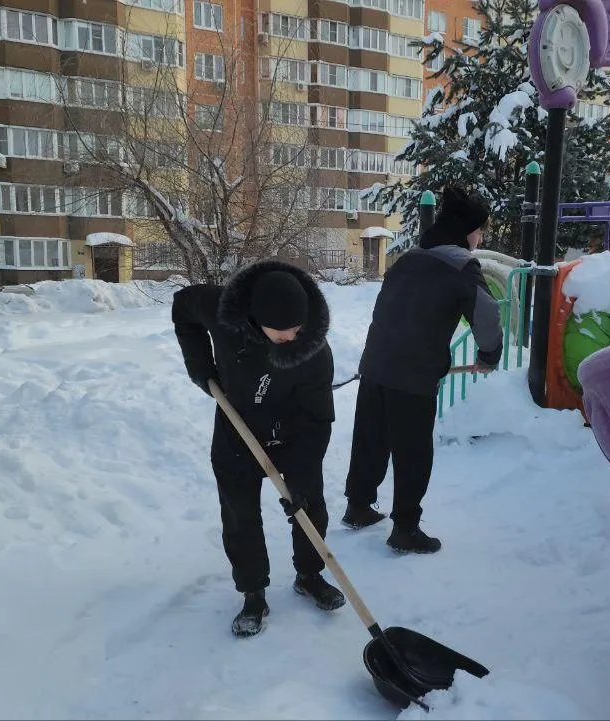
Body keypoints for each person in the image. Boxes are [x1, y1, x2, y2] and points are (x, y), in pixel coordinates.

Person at [171, 259, 344, 638]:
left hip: (294, 431)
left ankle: (309, 575)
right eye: (282, 330)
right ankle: (253, 593)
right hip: (237, 426)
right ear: (256, 317)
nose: (292, 336)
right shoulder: (223, 312)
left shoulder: (314, 351)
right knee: (240, 514)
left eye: (297, 328)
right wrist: (200, 366)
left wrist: (301, 479)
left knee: (309, 504)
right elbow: (183, 307)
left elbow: (317, 421)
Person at [341, 186, 503, 554]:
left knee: (371, 439)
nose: (480, 239)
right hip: (413, 377)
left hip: (376, 364)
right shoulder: (462, 266)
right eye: (479, 231)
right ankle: (405, 529)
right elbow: (487, 313)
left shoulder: (408, 259)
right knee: (413, 451)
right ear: (465, 231)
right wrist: (489, 355)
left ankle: (358, 506)